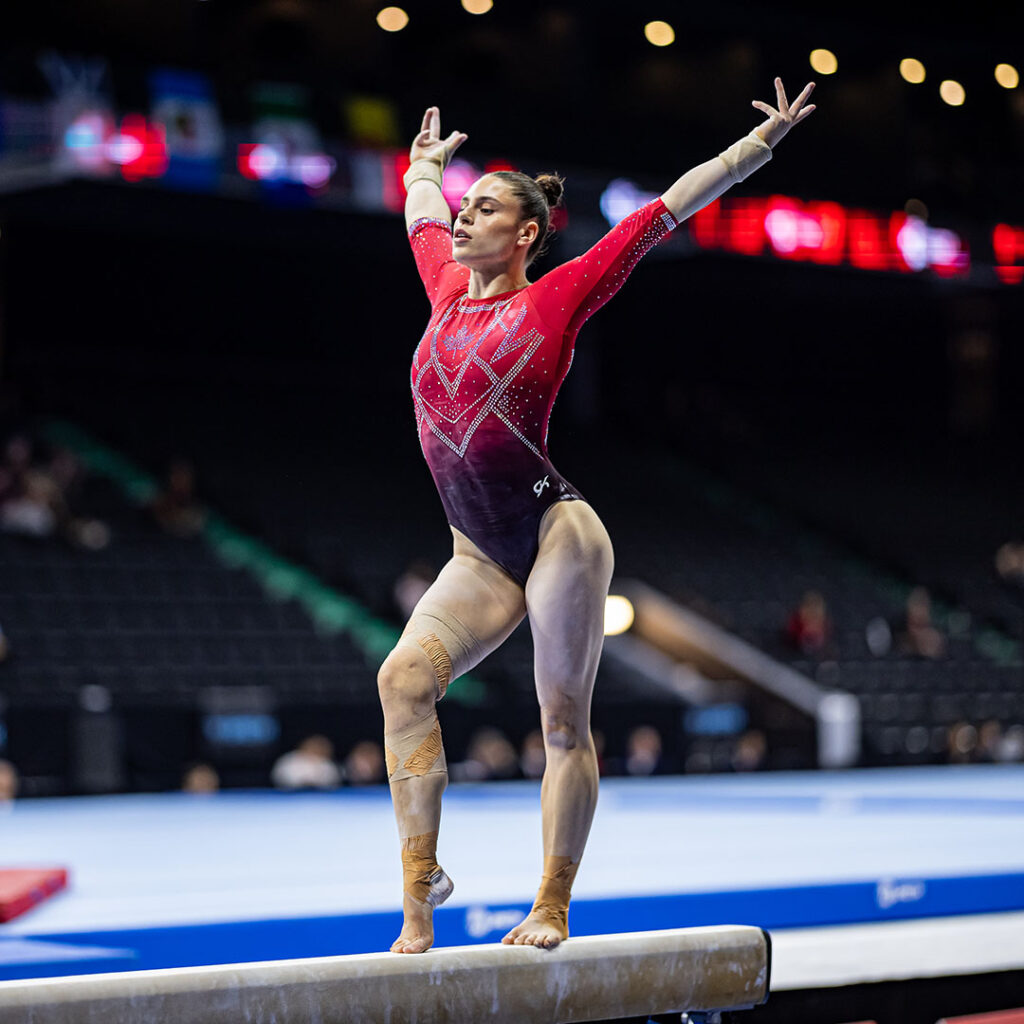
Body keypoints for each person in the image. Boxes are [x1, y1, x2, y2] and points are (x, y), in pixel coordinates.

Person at [378, 79, 816, 954]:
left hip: (554, 535)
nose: (463, 221)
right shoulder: (442, 289)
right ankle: (418, 901)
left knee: (561, 721)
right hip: (479, 553)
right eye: (465, 209)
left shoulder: (558, 295)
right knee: (400, 683)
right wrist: (425, 169)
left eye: (486, 210)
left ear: (528, 232)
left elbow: (662, 213)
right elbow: (422, 211)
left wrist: (754, 150)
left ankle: (551, 902)